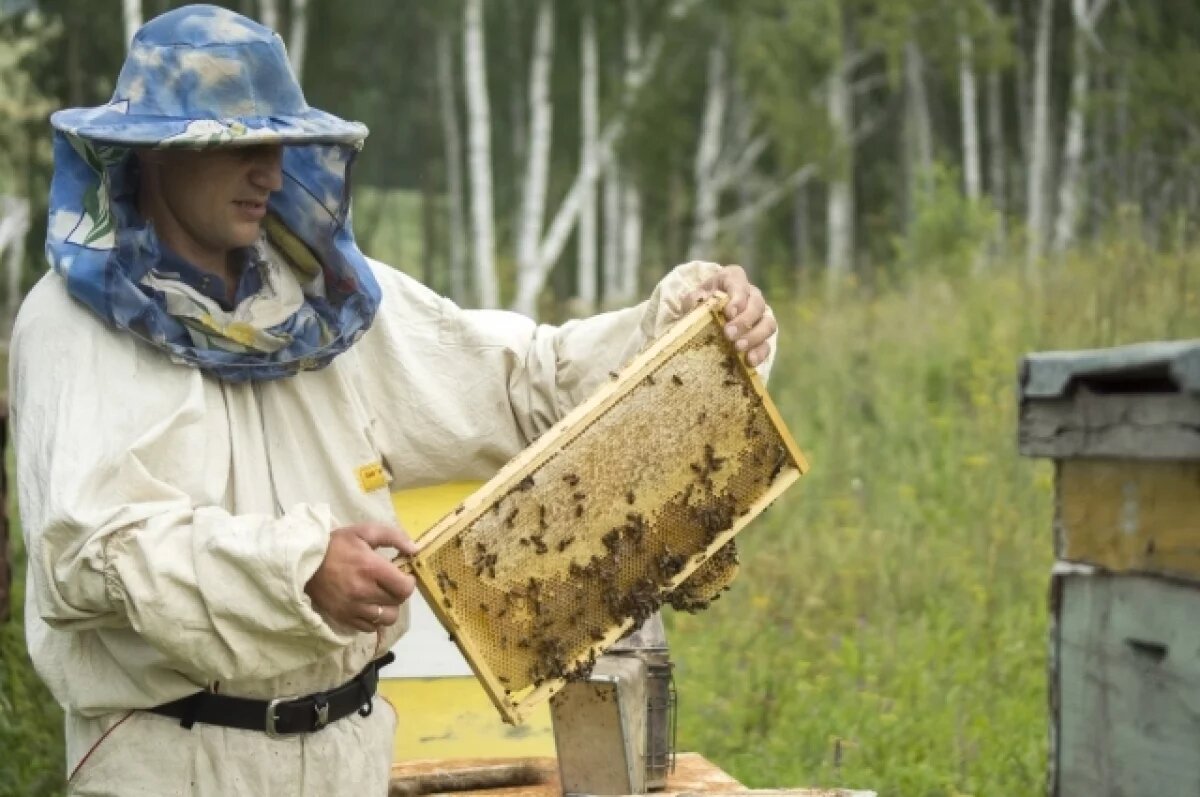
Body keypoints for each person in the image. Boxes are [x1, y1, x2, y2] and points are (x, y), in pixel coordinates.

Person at [11, 5, 778, 796]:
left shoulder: (324, 301)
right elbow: (92, 552)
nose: (270, 172)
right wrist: (297, 571)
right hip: (177, 760)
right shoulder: (74, 326)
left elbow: (521, 387)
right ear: (157, 156)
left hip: (350, 755)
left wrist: (678, 330)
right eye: (242, 143)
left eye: (280, 143)